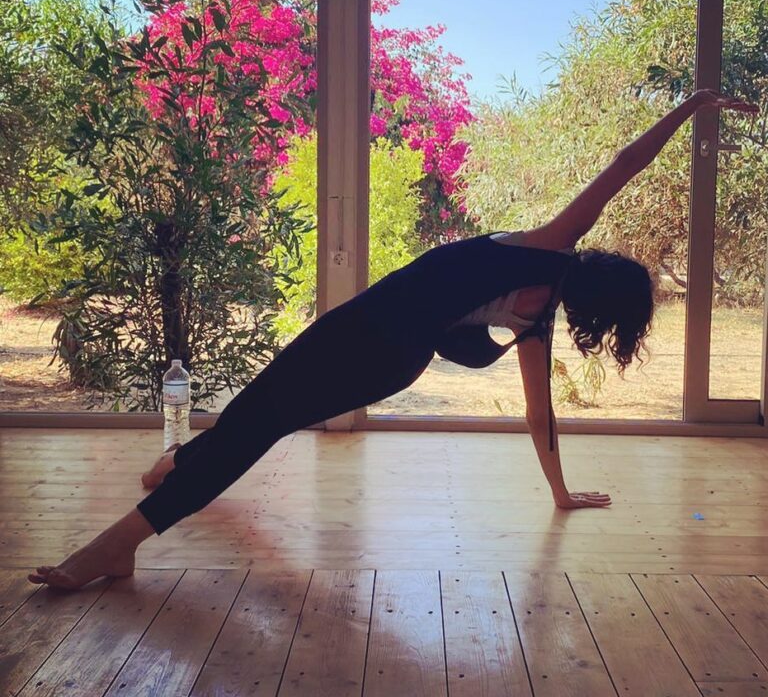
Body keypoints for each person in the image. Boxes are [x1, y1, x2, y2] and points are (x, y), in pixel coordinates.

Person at [27, 88, 758, 590]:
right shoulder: (546, 270)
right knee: (260, 410)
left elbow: (541, 414)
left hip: (381, 346)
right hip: (380, 341)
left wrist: (561, 494)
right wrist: (689, 106)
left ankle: (119, 544)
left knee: (264, 416)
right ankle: (180, 467)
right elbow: (626, 166)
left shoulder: (539, 297)